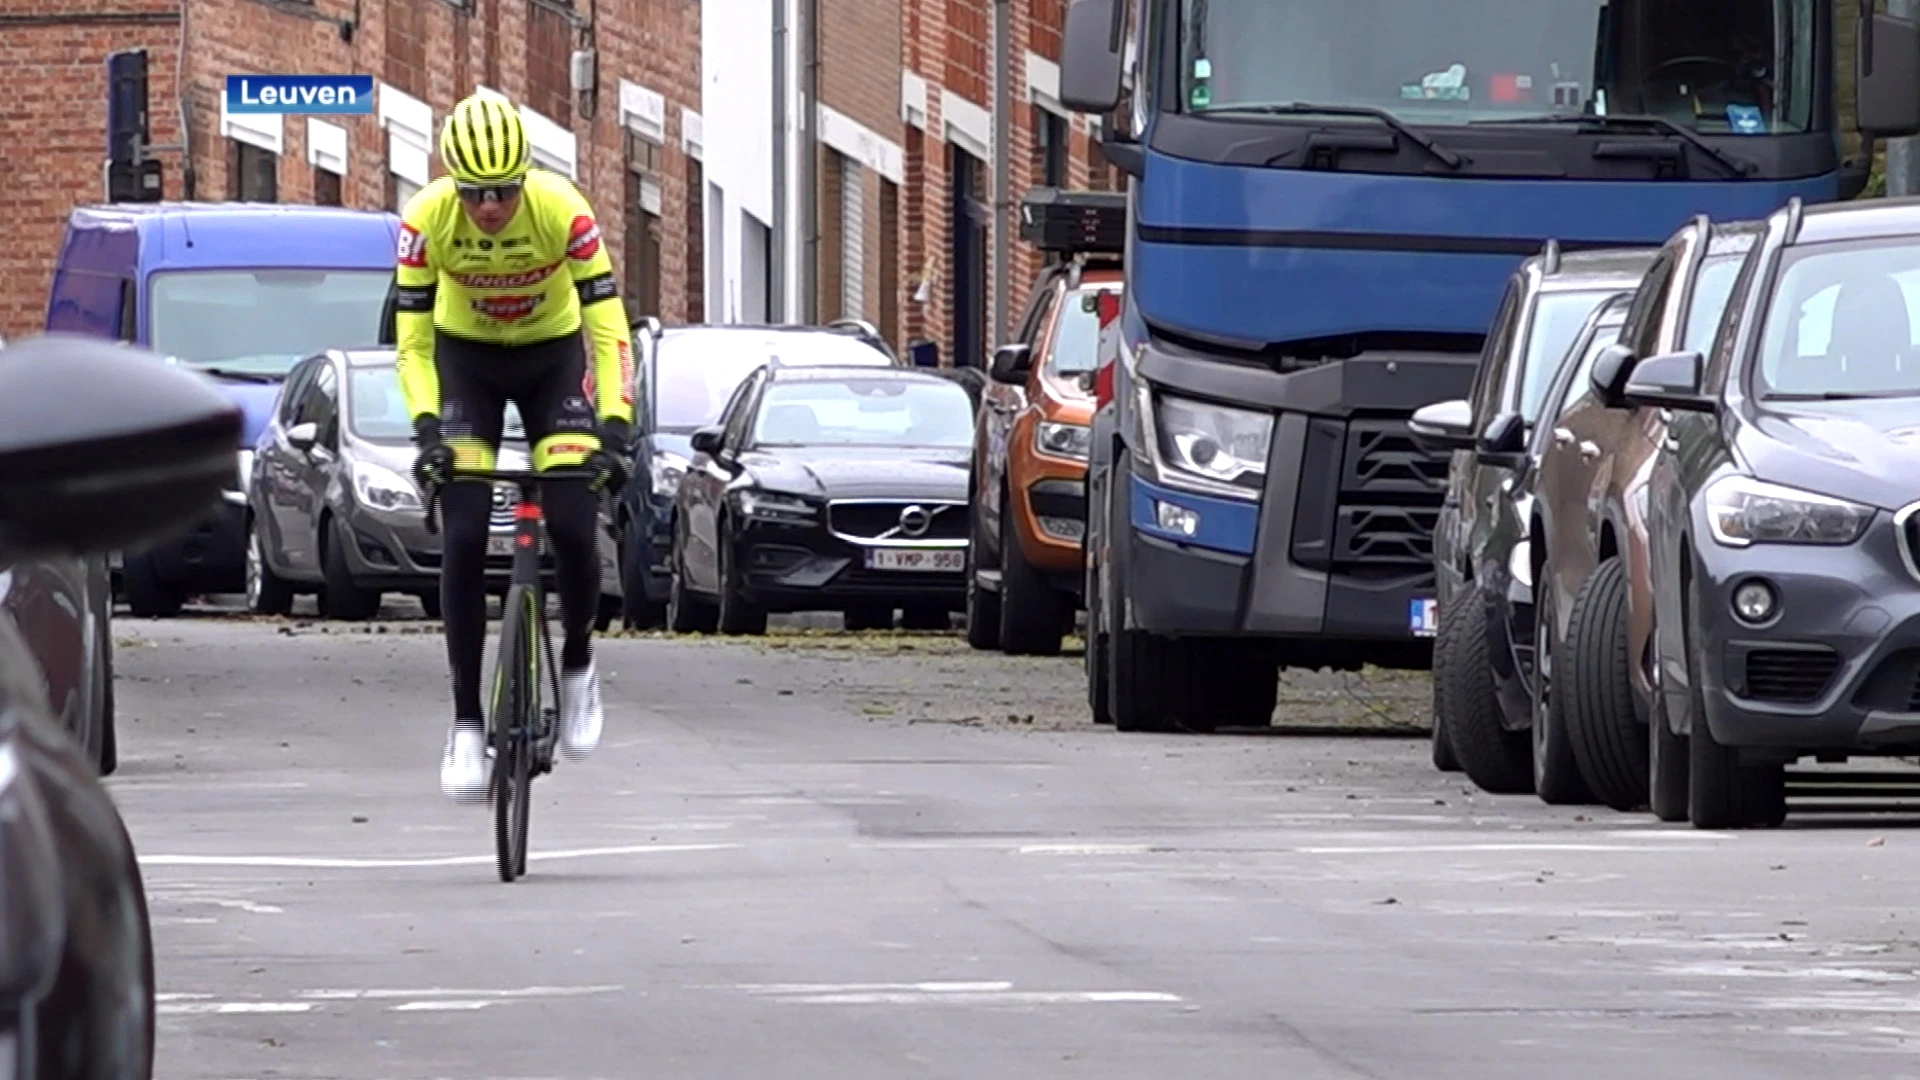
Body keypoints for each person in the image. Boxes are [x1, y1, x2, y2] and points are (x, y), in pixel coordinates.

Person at [392, 92, 635, 802]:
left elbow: (610, 332)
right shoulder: (426, 220)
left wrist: (614, 427)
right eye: (475, 192)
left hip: (550, 361)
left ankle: (580, 663)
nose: (490, 206)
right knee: (464, 537)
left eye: (503, 190)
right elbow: (410, 345)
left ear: (525, 179)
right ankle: (467, 721)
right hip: (466, 360)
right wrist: (428, 429)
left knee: (569, 521)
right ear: (454, 184)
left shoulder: (565, 211)